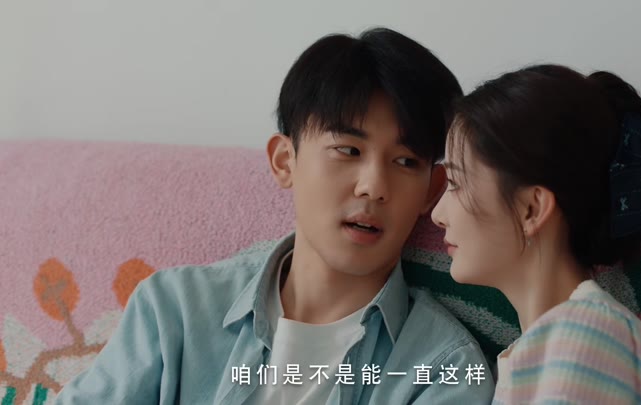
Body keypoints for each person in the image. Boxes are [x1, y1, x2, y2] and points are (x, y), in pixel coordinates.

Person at [56, 28, 495, 404]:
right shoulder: (174, 311)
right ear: (285, 161)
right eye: (348, 150)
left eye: (405, 162)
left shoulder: (443, 369)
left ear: (431, 191)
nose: (374, 186)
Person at [431, 64, 641, 403]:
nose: (438, 215)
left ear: (531, 209)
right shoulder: (556, 344)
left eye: (455, 183)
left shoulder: (587, 338)